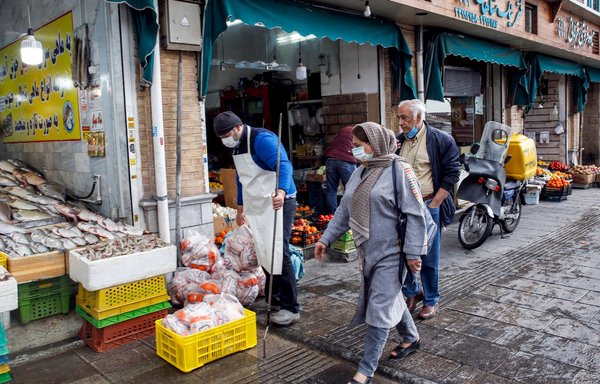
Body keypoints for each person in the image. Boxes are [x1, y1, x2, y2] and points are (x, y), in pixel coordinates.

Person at [314, 122, 431, 384]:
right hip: (368, 252)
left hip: (394, 252)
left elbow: (415, 213)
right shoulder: (360, 172)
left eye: (359, 146)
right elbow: (345, 209)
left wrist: (413, 253)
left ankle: (365, 371)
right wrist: (326, 238)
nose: (355, 151)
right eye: (353, 146)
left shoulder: (399, 169)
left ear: (375, 143)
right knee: (389, 296)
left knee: (378, 308)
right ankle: (411, 338)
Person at [213, 111, 300, 326]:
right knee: (264, 249)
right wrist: (241, 208)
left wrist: (281, 191)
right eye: (221, 136)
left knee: (280, 250)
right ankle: (275, 299)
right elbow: (242, 178)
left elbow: (284, 166)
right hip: (259, 205)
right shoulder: (236, 146)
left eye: (226, 134)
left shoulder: (262, 140)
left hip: (280, 200)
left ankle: (291, 307)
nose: (225, 139)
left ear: (237, 127)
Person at [396, 99, 460, 320]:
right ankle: (412, 292)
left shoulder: (440, 139)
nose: (401, 122)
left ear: (419, 118)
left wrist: (435, 204)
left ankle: (432, 299)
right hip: (403, 207)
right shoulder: (398, 141)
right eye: (399, 117)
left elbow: (452, 172)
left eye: (405, 118)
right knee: (405, 254)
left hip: (428, 204)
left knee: (428, 257)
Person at [324, 125, 357, 213]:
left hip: (331, 159)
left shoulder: (343, 130)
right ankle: (350, 216)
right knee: (351, 190)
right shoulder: (359, 132)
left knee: (331, 190)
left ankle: (334, 215)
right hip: (346, 160)